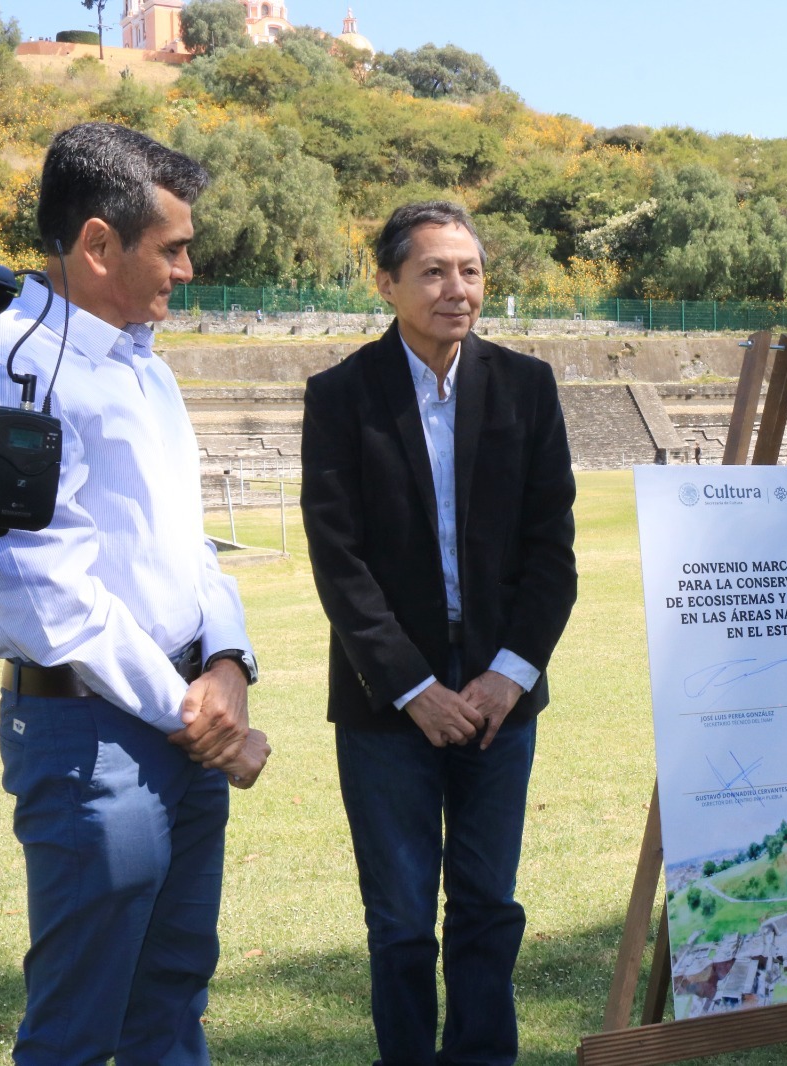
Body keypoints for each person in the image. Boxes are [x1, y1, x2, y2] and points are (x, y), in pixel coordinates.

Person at [0, 122, 269, 1064]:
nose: (189, 268)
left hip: (181, 721)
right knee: (78, 1028)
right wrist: (201, 717)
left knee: (171, 1005)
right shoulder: (10, 362)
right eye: (172, 247)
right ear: (95, 244)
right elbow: (48, 596)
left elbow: (184, 537)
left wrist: (231, 662)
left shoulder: (142, 362)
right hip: (94, 738)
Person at [301, 201, 578, 1066]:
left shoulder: (525, 387)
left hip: (500, 689)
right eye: (432, 271)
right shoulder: (342, 396)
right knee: (399, 919)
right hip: (391, 702)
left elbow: (552, 550)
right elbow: (339, 562)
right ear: (385, 283)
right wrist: (415, 688)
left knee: (490, 906)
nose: (457, 289)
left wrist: (509, 675)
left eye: (470, 270)